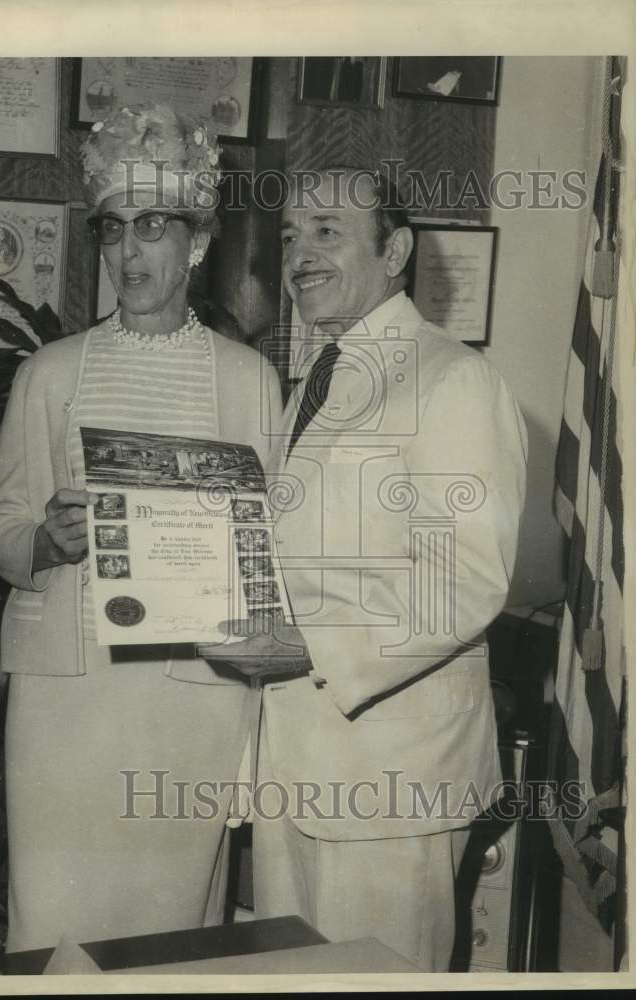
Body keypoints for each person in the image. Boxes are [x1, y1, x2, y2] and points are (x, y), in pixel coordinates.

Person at [0, 103, 282, 953]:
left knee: (171, 934)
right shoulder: (50, 372)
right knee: (58, 926)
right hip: (67, 700)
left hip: (191, 701)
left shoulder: (250, 382)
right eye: (114, 230)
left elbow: (267, 559)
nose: (129, 252)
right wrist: (42, 542)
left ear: (199, 242)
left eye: (153, 226)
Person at [202, 166, 528, 971]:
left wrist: (307, 643)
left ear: (396, 250)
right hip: (295, 754)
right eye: (287, 235)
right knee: (291, 977)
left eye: (325, 230)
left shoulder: (453, 378)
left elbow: (461, 579)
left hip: (390, 778)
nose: (298, 254)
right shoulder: (316, 378)